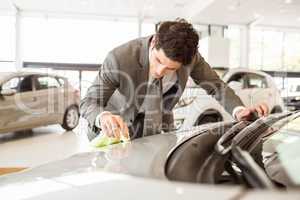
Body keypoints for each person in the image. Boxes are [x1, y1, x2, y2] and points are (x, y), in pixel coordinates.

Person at [80, 19, 269, 141]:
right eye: (158, 61)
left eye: (171, 68)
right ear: (154, 42)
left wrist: (239, 110)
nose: (161, 71)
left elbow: (216, 86)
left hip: (155, 132)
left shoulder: (191, 58)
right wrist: (103, 117)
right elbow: (89, 102)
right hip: (112, 133)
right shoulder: (119, 58)